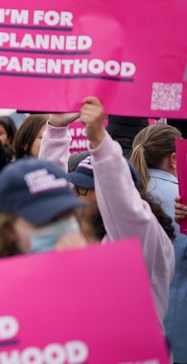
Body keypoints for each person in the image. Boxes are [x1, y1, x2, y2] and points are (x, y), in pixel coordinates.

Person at [39, 98, 175, 322]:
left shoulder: (143, 240)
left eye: (86, 189)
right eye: (76, 187)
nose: (76, 196)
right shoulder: (77, 237)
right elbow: (50, 197)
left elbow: (123, 204)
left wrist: (100, 142)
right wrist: (55, 130)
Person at [130, 123, 187, 364]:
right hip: (178, 335)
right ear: (175, 158)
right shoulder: (181, 197)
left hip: (130, 332)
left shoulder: (123, 196)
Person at [0, 158, 88, 261]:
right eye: (46, 220)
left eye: (67, 215)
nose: (62, 227)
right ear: (9, 230)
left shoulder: (95, 266)